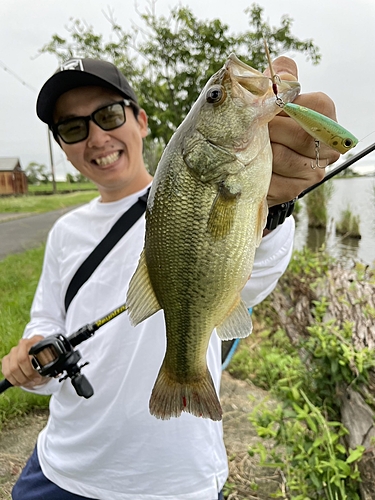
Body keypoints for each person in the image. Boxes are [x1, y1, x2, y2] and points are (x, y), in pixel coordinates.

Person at [1, 56, 339, 500]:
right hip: (62, 467)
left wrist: (274, 208)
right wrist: (33, 357)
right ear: (62, 146)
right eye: (72, 128)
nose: (97, 137)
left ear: (140, 120)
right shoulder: (65, 231)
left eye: (107, 115)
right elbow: (46, 320)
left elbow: (254, 275)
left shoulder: (210, 180)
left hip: (177, 481)